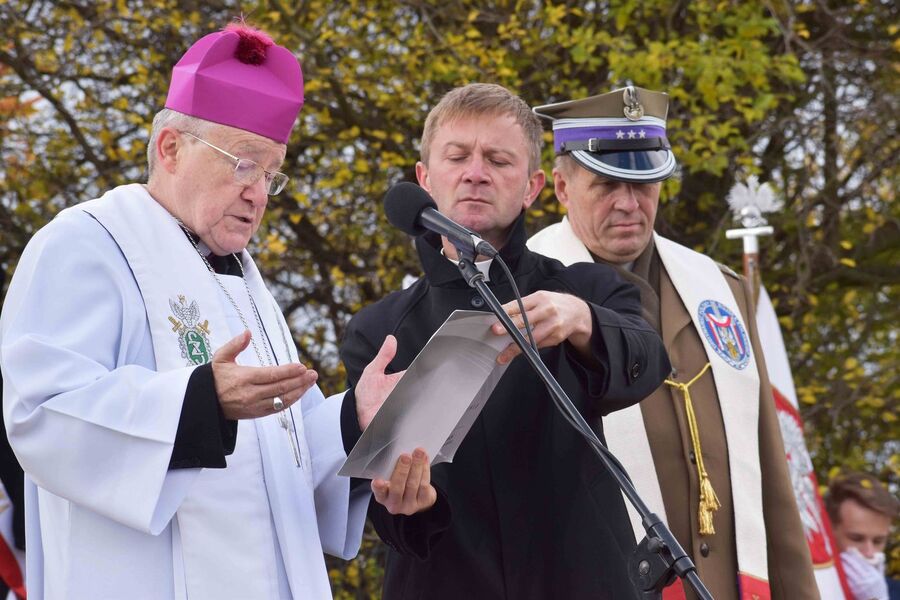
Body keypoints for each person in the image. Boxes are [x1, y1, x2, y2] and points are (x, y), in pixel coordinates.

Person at [0, 23, 435, 599]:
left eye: (272, 173)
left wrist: (355, 419)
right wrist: (200, 401)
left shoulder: (246, 285)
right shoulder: (85, 243)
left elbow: (280, 463)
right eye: (244, 164)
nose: (260, 193)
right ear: (170, 148)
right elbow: (42, 414)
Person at [339, 83, 671, 599]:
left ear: (532, 187)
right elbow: (382, 504)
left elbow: (650, 361)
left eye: (498, 159)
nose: (476, 173)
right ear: (425, 179)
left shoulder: (586, 288)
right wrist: (409, 506)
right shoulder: (377, 329)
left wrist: (583, 320)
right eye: (458, 157)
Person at [527, 86, 818, 599]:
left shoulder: (720, 290)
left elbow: (770, 470)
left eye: (644, 183)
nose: (628, 204)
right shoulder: (524, 297)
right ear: (562, 187)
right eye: (606, 184)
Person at [826, 472, 899, 600]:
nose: (869, 553)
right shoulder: (805, 587)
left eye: (878, 541)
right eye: (856, 539)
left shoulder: (896, 592)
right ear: (831, 531)